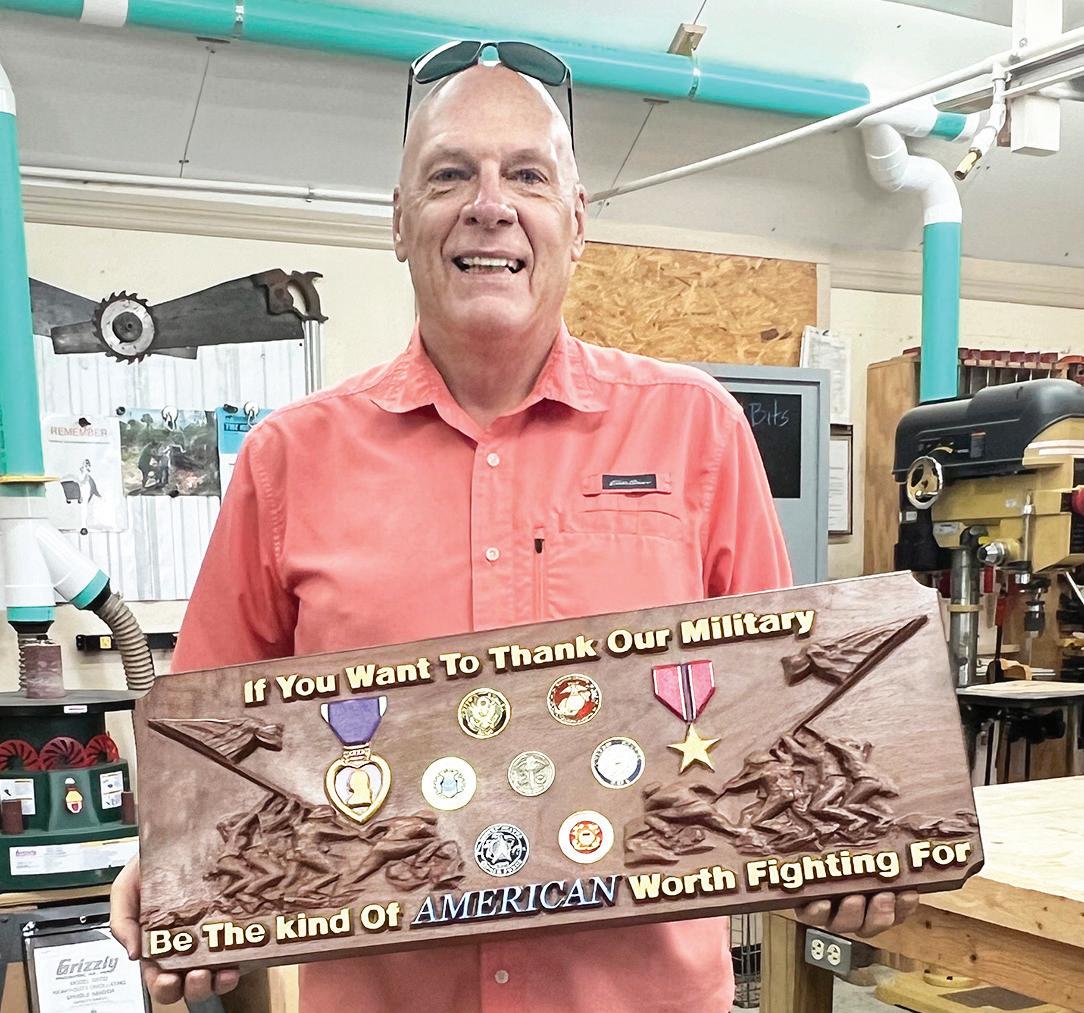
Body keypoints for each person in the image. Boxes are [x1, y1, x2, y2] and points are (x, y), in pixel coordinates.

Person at [111, 44, 917, 1011]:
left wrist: (853, 844)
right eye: (450, 174)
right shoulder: (289, 459)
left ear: (576, 222)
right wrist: (176, 867)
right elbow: (208, 746)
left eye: (527, 175)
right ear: (399, 221)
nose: (489, 205)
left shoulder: (697, 430)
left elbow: (792, 705)